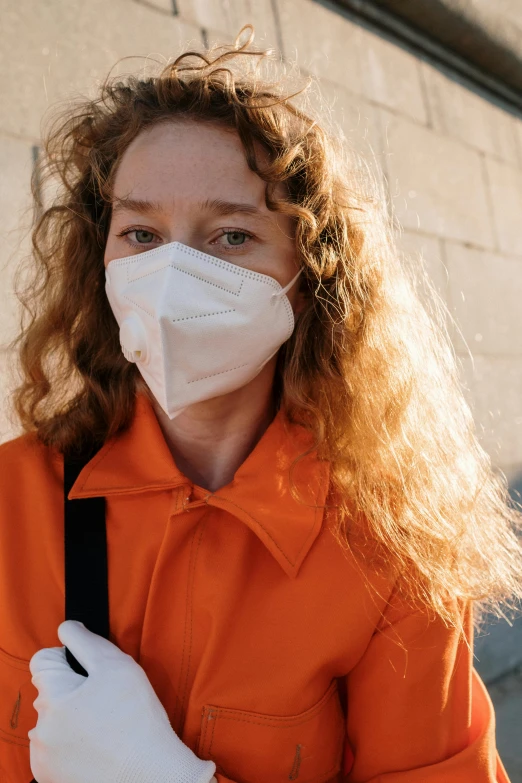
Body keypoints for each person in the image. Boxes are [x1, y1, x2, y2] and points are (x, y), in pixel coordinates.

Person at [0, 25, 521, 783]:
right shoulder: (14, 499)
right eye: (141, 230)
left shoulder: (391, 554)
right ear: (98, 258)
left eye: (232, 235)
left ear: (307, 279)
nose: (174, 272)